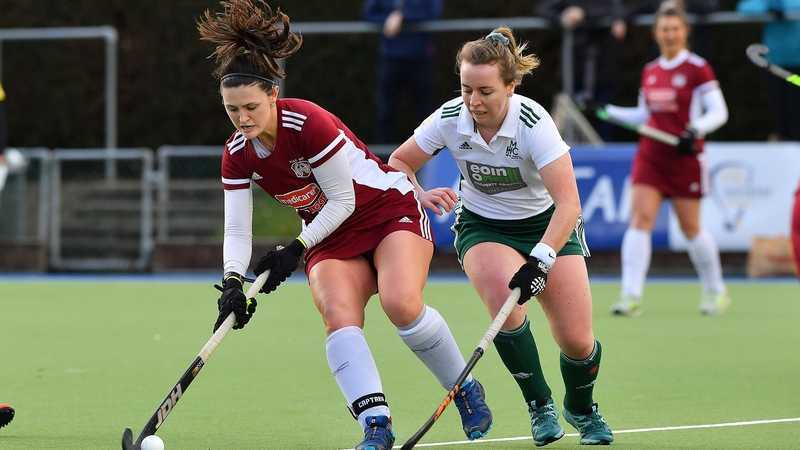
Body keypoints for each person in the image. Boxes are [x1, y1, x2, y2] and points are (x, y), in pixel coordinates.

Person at [196, 1, 492, 449]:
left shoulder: (308, 123)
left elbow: (343, 199)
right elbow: (238, 230)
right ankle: (376, 425)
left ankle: (464, 388)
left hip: (387, 212)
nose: (242, 120)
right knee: (337, 315)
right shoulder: (237, 153)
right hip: (330, 236)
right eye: (232, 110)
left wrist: (292, 249)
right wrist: (233, 282)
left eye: (251, 107)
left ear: (273, 94)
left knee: (400, 302)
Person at [389, 26, 614, 446]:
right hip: (483, 226)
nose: (474, 101)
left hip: (547, 226)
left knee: (577, 341)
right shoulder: (449, 118)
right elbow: (400, 160)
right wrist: (419, 192)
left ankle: (582, 409)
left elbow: (569, 204)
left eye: (486, 91)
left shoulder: (533, 123)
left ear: (511, 86)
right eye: (466, 88)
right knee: (505, 306)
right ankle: (539, 405)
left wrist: (542, 258)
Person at [601, 1, 730, 316]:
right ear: (656, 33)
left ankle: (716, 291)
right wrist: (606, 111)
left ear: (685, 31)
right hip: (651, 156)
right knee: (640, 219)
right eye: (664, 29)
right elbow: (645, 115)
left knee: (690, 228)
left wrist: (695, 129)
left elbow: (719, 112)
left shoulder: (698, 68)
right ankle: (631, 296)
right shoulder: (651, 71)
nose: (670, 34)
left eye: (676, 29)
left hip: (684, 158)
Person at [535, 0, 627, 141]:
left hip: (601, 71)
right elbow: (543, 9)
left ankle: (605, 159)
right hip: (575, 72)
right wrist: (563, 17)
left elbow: (618, 10)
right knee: (570, 122)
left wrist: (583, 14)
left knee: (604, 120)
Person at [362, 0, 443, 145]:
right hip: (390, 59)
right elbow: (369, 13)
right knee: (386, 113)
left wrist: (402, 16)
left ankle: (428, 162)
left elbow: (432, 13)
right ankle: (385, 164)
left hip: (421, 60)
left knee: (426, 114)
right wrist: (388, 19)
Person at [737, 0, 800, 142]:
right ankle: (782, 140)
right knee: (779, 105)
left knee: (795, 105)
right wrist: (770, 7)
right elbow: (744, 8)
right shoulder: (769, 2)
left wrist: (783, 7)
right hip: (775, 66)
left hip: (797, 66)